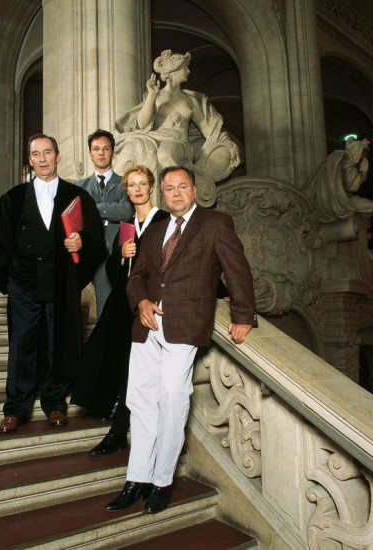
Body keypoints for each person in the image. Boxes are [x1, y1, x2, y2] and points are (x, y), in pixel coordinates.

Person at [105, 166, 257, 515]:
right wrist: (141, 302)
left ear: (194, 190)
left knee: (173, 399)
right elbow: (137, 277)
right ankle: (136, 479)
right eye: (169, 188)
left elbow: (237, 269)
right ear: (164, 193)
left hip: (184, 325)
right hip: (146, 326)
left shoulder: (215, 223)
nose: (175, 193)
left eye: (182, 186)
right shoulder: (156, 229)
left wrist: (243, 315)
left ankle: (161, 482)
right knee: (140, 403)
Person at [0, 134, 106, 433]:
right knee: (22, 346)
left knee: (59, 344)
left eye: (47, 152)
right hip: (24, 285)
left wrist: (82, 241)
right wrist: (11, 279)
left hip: (60, 284)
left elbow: (97, 237)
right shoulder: (13, 198)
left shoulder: (77, 197)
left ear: (58, 156)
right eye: (36, 154)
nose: (42, 159)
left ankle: (55, 403)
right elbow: (2, 242)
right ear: (29, 160)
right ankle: (15, 408)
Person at [71, 165, 169, 452]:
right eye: (132, 185)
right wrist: (122, 255)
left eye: (142, 184)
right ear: (126, 190)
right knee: (105, 355)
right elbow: (113, 270)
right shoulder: (126, 226)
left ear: (151, 187)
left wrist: (223, 292)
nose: (137, 189)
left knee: (136, 367)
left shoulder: (163, 220)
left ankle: (119, 427)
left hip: (149, 303)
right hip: (122, 302)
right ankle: (115, 409)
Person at [114, 50, 240, 205]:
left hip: (179, 143)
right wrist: (152, 96)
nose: (188, 71)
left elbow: (209, 131)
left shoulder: (190, 100)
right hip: (152, 138)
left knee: (165, 154)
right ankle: (118, 199)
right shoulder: (156, 96)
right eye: (185, 67)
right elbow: (142, 125)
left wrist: (225, 144)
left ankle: (165, 204)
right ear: (175, 72)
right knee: (131, 149)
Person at [76, 129, 133, 316]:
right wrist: (110, 211)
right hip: (88, 250)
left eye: (106, 148)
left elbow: (127, 211)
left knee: (114, 306)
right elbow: (78, 218)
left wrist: (92, 208)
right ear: (90, 154)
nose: (101, 153)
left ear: (113, 153)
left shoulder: (126, 183)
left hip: (116, 249)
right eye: (96, 149)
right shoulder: (79, 187)